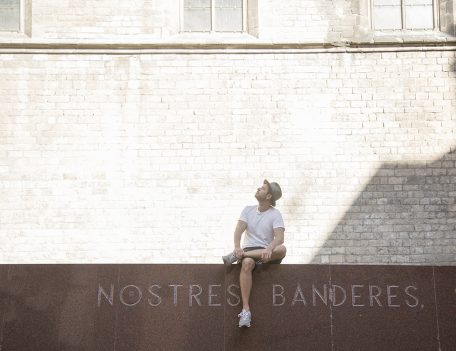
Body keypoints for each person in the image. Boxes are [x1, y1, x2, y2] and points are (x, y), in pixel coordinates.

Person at [222, 179, 286, 328]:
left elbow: (280, 238)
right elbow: (238, 230)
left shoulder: (275, 214)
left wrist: (269, 249)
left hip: (266, 252)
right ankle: (245, 310)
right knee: (247, 263)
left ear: (269, 196)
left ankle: (237, 256)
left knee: (282, 249)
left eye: (262, 189)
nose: (258, 189)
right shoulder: (248, 210)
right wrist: (237, 247)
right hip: (249, 251)